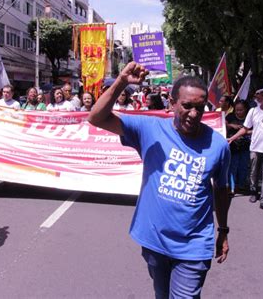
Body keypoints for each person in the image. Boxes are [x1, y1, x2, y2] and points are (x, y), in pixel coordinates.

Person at [88, 62, 231, 298]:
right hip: (154, 241)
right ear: (172, 103)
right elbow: (96, 117)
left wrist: (223, 230)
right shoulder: (149, 128)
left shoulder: (218, 145)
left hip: (194, 246)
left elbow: (222, 190)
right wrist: (121, 81)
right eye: (186, 106)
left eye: (200, 108)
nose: (193, 114)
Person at [226, 100, 251, 196]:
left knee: (243, 166)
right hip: (233, 146)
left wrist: (244, 132)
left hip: (245, 146)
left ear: (245, 109)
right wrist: (231, 125)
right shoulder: (230, 116)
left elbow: (255, 129)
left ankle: (241, 185)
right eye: (237, 110)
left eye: (241, 110)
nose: (238, 112)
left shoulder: (250, 117)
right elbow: (223, 124)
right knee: (233, 167)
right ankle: (232, 187)